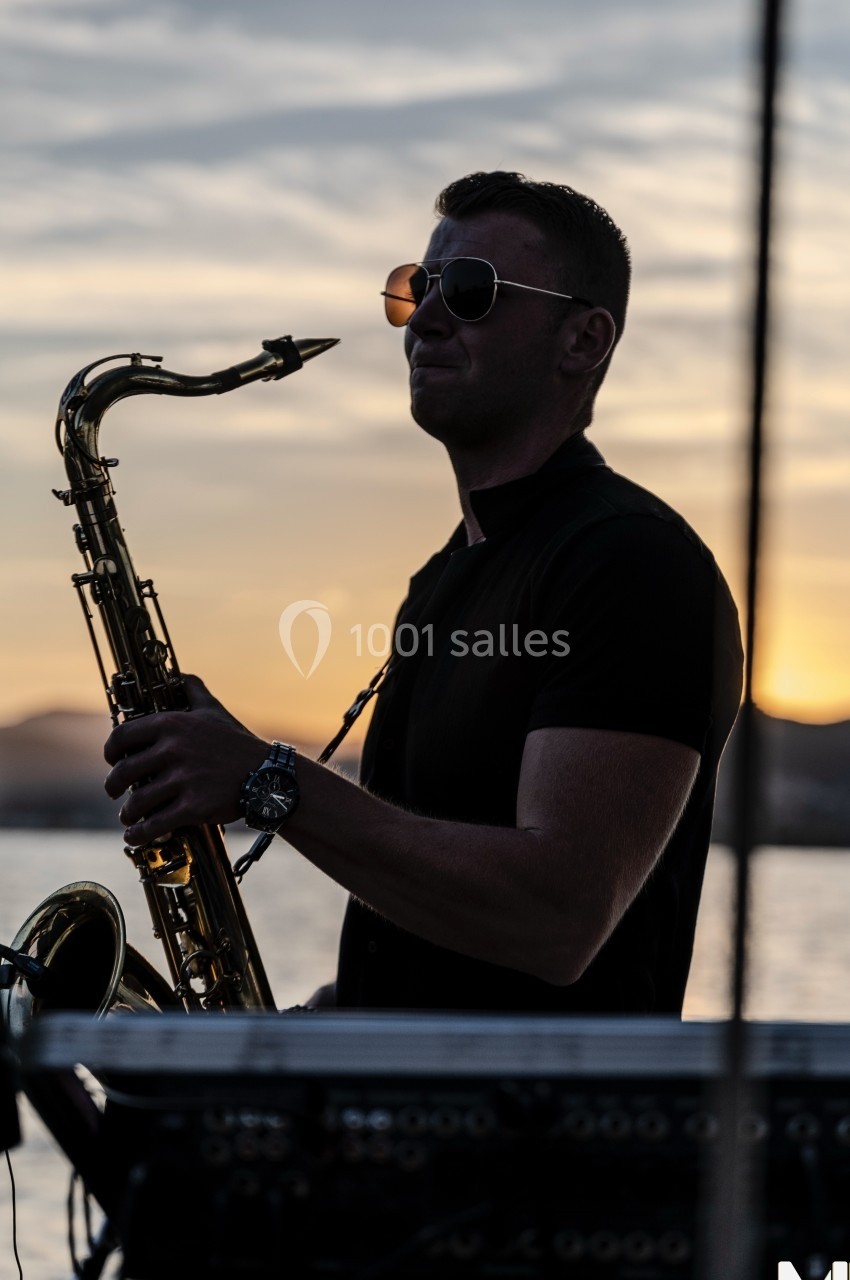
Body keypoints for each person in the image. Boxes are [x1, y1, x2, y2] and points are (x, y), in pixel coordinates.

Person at [104, 171, 743, 1015]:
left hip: (544, 1105)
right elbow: (439, 947)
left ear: (583, 341)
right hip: (412, 1096)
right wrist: (302, 1030)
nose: (426, 319)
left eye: (472, 291)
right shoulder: (444, 578)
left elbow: (558, 918)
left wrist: (265, 779)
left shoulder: (632, 562)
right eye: (416, 286)